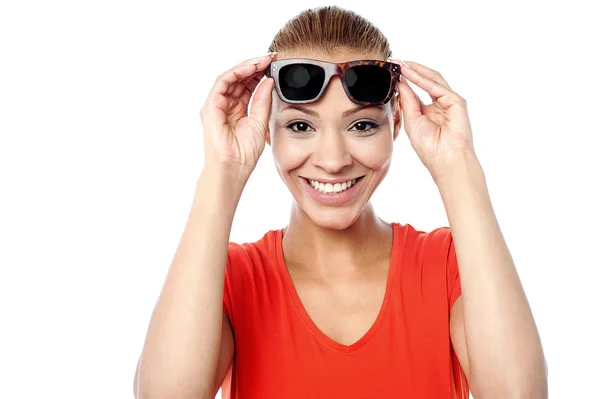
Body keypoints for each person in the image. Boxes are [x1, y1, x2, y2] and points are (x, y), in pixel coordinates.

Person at [133, 6, 548, 399]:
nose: (332, 160)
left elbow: (517, 393)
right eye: (300, 125)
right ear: (265, 132)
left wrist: (457, 166)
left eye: (362, 125)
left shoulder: (450, 266)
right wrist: (222, 171)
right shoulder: (229, 278)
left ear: (397, 124)